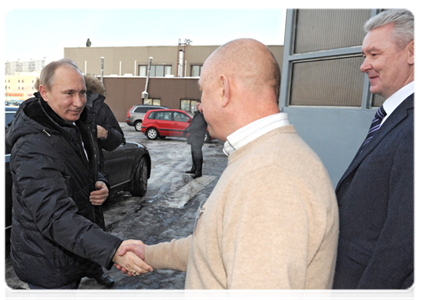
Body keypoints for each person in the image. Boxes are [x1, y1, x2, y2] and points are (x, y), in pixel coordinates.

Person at [117, 38, 339, 299]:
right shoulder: (261, 159)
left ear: (224, 89)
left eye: (203, 91)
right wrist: (150, 254)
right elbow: (215, 247)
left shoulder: (269, 176)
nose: (200, 103)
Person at [5, 59, 152, 299]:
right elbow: (54, 216)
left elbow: (88, 166)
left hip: (73, 252)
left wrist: (101, 182)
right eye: (69, 93)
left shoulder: (74, 124)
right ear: (44, 92)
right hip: (48, 262)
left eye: (82, 92)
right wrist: (113, 249)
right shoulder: (33, 145)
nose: (79, 101)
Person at [331, 9, 418, 300]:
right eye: (363, 56)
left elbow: (403, 243)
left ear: (413, 51)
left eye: (374, 54)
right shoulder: (395, 117)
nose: (363, 65)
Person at [82, 75, 125, 287]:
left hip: (93, 175)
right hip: (67, 178)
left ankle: (95, 268)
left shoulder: (98, 106)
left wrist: (105, 132)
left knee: (94, 226)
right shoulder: (50, 108)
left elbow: (118, 138)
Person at [183, 100, 207, 178]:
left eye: (198, 105)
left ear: (202, 106)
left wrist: (188, 130)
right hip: (193, 137)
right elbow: (192, 124)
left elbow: (197, 126)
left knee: (198, 155)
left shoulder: (203, 115)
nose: (197, 106)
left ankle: (198, 172)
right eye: (196, 105)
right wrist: (186, 129)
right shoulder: (196, 115)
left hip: (198, 138)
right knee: (193, 154)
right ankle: (194, 169)